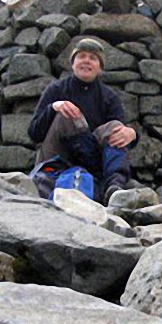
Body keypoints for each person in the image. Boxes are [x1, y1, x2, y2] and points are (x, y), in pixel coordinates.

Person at [28, 38, 137, 204]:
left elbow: (119, 136)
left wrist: (132, 134)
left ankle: (114, 187)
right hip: (56, 158)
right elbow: (34, 133)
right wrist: (53, 108)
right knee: (67, 114)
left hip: (92, 154)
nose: (86, 61)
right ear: (72, 63)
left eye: (93, 58)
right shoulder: (56, 90)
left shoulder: (108, 97)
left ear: (100, 67)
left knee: (117, 127)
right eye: (81, 56)